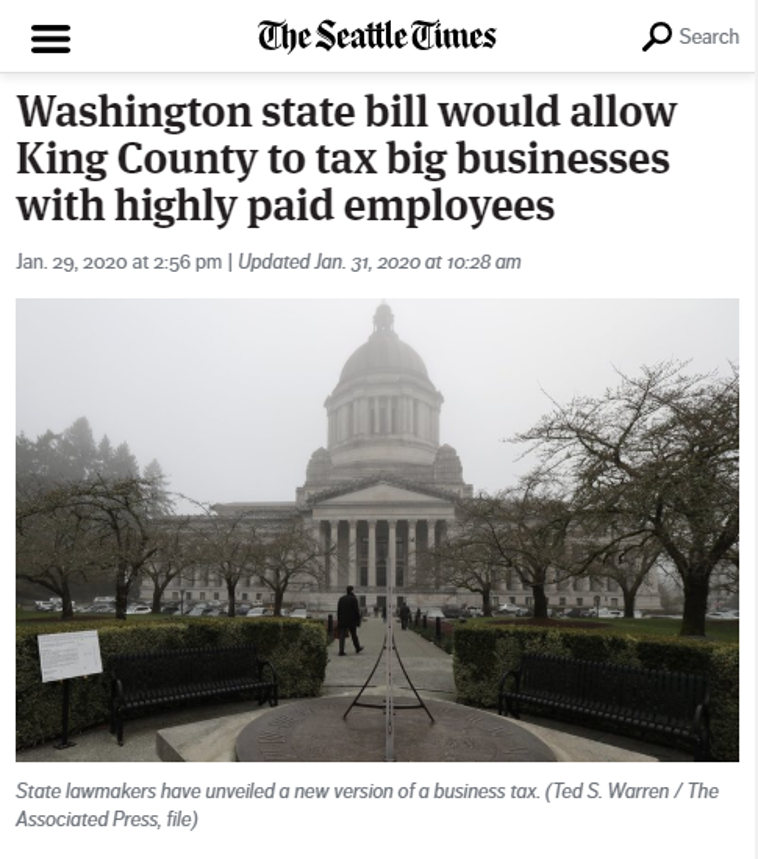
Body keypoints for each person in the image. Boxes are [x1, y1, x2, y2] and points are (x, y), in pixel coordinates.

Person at [337, 586, 364, 655]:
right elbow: (356, 611)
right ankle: (357, 648)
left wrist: (339, 620)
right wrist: (358, 620)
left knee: (342, 636)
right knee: (354, 635)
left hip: (343, 620)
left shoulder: (341, 599)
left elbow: (338, 611)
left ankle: (341, 650)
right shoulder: (354, 599)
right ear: (352, 591)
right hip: (351, 620)